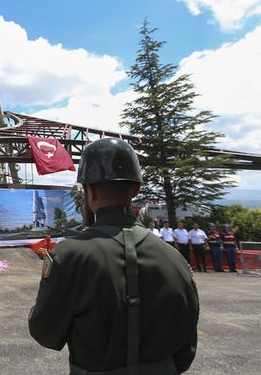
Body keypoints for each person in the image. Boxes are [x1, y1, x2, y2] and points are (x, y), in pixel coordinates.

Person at [28, 138, 199, 374]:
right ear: (136, 189)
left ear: (90, 190)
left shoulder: (68, 255)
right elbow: (186, 351)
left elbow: (45, 332)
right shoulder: (175, 259)